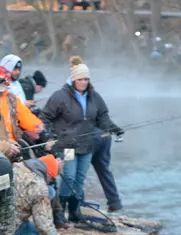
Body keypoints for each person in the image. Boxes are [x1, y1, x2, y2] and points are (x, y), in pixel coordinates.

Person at [41, 58, 122, 224]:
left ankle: (74, 212)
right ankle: (59, 213)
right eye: (80, 79)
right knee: (69, 177)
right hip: (67, 146)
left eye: (86, 79)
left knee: (79, 178)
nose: (83, 82)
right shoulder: (60, 97)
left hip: (87, 146)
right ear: (73, 80)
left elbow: (103, 118)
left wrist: (115, 129)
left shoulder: (94, 97)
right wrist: (49, 137)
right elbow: (45, 117)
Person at [13, 154, 70, 235]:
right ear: (48, 174)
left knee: (50, 190)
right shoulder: (40, 188)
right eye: (51, 178)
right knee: (33, 232)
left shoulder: (16, 166)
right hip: (6, 224)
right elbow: (44, 226)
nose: (49, 181)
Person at [90, 134, 123, 213]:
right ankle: (115, 202)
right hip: (104, 137)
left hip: (80, 141)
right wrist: (117, 130)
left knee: (75, 173)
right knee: (104, 170)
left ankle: (75, 207)